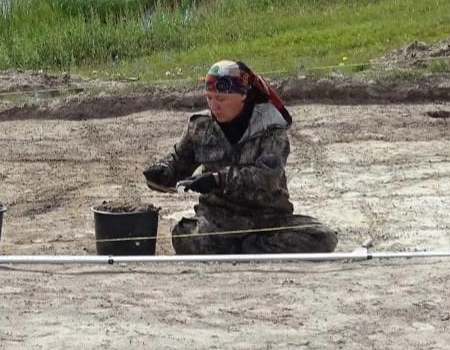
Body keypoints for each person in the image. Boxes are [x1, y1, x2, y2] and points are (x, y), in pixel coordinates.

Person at [142, 59, 337, 255]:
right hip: (217, 221)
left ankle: (246, 245)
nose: (214, 106)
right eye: (209, 98)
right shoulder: (200, 126)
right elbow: (179, 162)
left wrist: (218, 180)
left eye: (221, 99)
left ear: (243, 95)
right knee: (182, 235)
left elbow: (268, 178)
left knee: (322, 237)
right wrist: (163, 171)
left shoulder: (270, 129)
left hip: (267, 220)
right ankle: (250, 247)